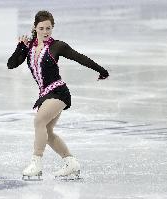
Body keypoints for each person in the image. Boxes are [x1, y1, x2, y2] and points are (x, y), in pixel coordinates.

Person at [7, 10, 109, 180]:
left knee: (39, 121)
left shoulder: (57, 46)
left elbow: (80, 58)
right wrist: (20, 47)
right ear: (35, 27)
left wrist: (101, 70)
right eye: (42, 28)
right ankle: (71, 162)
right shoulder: (30, 47)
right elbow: (11, 64)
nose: (45, 32)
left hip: (59, 92)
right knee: (47, 131)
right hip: (45, 94)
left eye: (49, 28)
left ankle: (36, 163)